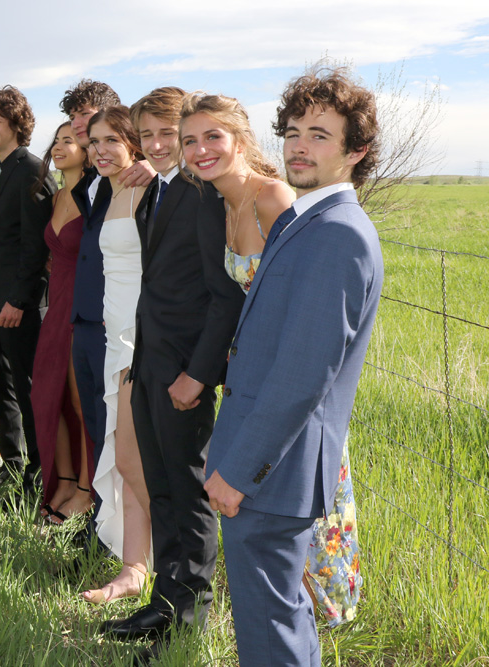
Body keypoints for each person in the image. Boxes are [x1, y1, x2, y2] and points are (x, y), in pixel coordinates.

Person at [204, 66, 382, 666]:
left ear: (355, 152)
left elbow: (304, 376)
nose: (299, 146)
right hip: (268, 460)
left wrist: (239, 471)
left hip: (274, 469)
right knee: (278, 615)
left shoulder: (338, 235)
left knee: (269, 627)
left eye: (320, 135)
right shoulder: (306, 219)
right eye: (293, 132)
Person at [100, 87, 245, 654]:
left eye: (169, 134)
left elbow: (223, 296)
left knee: (186, 492)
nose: (159, 145)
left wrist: (197, 374)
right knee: (159, 486)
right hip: (147, 361)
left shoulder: (202, 194)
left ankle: (188, 622)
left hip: (183, 369)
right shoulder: (158, 188)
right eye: (149, 135)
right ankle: (163, 603)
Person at [80, 106, 150, 603]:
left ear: (133, 142)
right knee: (125, 457)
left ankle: (175, 557)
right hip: (114, 334)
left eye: (110, 140)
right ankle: (135, 567)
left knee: (131, 457)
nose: (99, 150)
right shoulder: (108, 189)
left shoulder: (149, 187)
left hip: (142, 338)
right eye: (93, 141)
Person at [0, 85, 56, 494]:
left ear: (16, 124)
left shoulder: (30, 170)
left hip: (17, 303)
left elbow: (37, 245)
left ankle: (37, 479)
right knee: (0, 387)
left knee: (26, 392)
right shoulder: (0, 169)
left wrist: (19, 300)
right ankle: (10, 469)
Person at [29, 122, 94, 522]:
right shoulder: (56, 196)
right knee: (49, 394)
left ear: (86, 150)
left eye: (69, 140)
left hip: (83, 303)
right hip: (55, 304)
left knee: (80, 399)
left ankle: (87, 490)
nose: (58, 146)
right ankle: (65, 481)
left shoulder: (95, 193)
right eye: (56, 140)